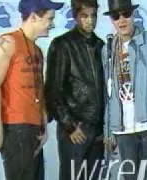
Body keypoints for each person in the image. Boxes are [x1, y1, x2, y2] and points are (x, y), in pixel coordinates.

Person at [0, 0, 64, 179]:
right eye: (49, 19)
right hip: (15, 127)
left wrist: (43, 125)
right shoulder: (8, 42)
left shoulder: (37, 51)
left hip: (34, 129)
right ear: (34, 17)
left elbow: (39, 89)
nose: (52, 24)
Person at [102, 0, 147, 179]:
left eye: (126, 13)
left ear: (133, 14)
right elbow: (108, 92)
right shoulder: (108, 49)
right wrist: (109, 129)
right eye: (115, 16)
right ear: (111, 20)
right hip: (122, 129)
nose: (121, 20)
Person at [44, 0, 105, 179]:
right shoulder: (62, 44)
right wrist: (69, 125)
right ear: (75, 16)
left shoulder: (100, 46)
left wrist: (104, 127)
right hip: (75, 128)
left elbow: (106, 90)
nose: (90, 21)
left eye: (93, 15)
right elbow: (53, 90)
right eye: (85, 16)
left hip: (98, 131)